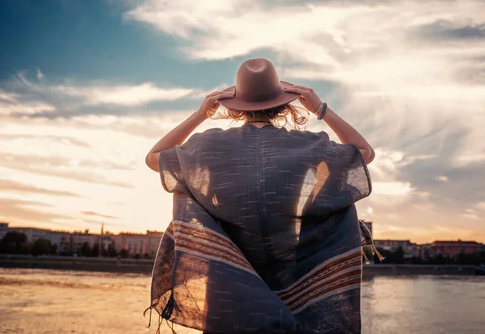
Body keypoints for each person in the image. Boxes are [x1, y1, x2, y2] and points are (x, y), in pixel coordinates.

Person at [145, 58, 376, 333]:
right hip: (295, 284)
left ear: (237, 106)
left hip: (228, 290)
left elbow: (153, 158)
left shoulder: (207, 147)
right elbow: (364, 152)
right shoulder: (310, 146)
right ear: (283, 104)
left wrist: (201, 114)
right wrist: (320, 109)